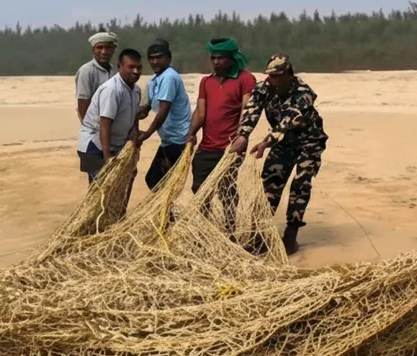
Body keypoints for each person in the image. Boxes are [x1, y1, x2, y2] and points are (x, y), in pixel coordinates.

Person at [230, 54, 327, 255]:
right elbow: (252, 110)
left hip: (309, 143)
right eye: (270, 76)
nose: (273, 80)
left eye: (277, 76)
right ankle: (260, 236)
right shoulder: (265, 88)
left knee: (300, 185)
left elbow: (288, 121)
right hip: (283, 144)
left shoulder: (303, 93)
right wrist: (243, 135)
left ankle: (291, 236)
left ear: (289, 75)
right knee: (270, 184)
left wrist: (266, 143)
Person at [187, 37, 257, 192]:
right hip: (206, 147)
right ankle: (204, 217)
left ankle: (229, 218)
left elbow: (247, 112)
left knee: (227, 190)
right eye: (213, 58)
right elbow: (200, 112)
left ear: (232, 59)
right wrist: (190, 134)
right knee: (199, 189)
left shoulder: (245, 79)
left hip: (230, 147)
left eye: (221, 58)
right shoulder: (206, 81)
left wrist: (241, 137)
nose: (216, 62)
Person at [77, 48, 143, 185]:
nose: (135, 72)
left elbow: (134, 117)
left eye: (139, 68)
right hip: (96, 146)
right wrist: (107, 159)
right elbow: (105, 125)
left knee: (122, 186)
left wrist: (134, 133)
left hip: (118, 145)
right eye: (131, 67)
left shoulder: (136, 90)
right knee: (101, 190)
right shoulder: (112, 90)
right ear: (119, 67)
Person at [135, 39, 192, 190]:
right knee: (156, 181)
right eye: (151, 58)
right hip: (168, 139)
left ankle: (167, 213)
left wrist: (147, 134)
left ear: (168, 58)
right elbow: (147, 107)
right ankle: (167, 213)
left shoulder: (169, 77)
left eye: (158, 57)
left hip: (178, 139)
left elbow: (163, 111)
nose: (154, 61)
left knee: (162, 184)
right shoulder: (155, 79)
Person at [74, 30, 118, 125]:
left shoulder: (115, 70)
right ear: (93, 50)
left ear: (113, 50)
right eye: (99, 48)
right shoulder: (86, 71)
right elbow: (83, 103)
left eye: (108, 48)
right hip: (95, 127)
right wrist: (89, 129)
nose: (104, 52)